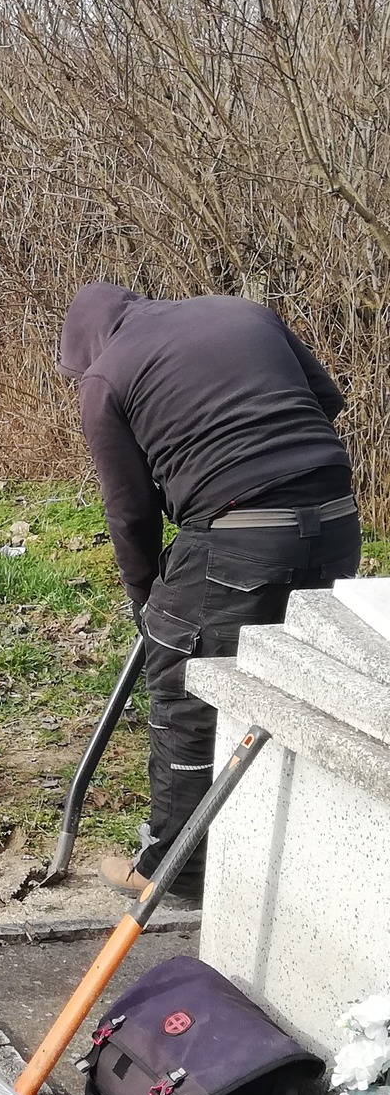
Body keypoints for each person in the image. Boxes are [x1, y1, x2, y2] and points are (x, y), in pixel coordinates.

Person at [59, 283, 358, 895]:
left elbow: (130, 514)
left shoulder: (106, 379)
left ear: (86, 344)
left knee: (186, 688)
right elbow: (327, 399)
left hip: (236, 535)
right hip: (334, 515)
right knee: (299, 681)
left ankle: (175, 871)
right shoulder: (241, 311)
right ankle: (291, 852)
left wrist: (149, 603)